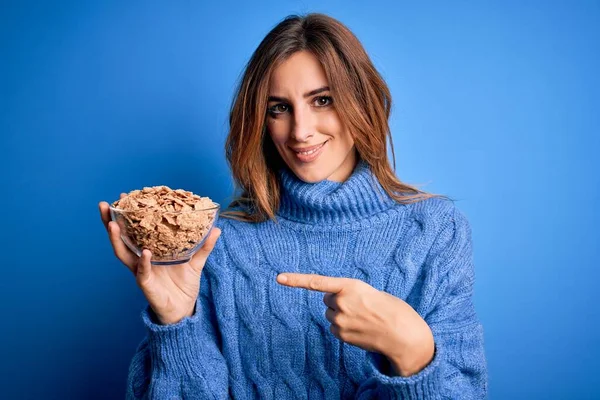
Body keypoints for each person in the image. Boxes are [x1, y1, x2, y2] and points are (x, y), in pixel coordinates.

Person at [99, 13, 488, 399]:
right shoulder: (216, 242)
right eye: (278, 108)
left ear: (362, 101)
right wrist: (175, 322)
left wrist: (411, 350)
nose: (300, 131)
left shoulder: (436, 230)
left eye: (322, 100)